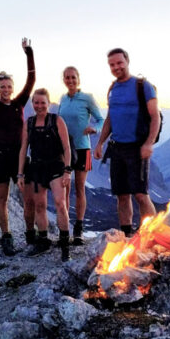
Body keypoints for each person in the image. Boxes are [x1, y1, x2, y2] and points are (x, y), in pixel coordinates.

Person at [94, 48, 160, 237]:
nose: (116, 67)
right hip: (117, 148)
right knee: (122, 195)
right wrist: (100, 143)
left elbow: (154, 116)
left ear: (127, 61)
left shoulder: (142, 86)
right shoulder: (113, 89)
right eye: (112, 65)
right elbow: (110, 118)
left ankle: (151, 236)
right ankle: (126, 235)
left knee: (140, 194)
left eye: (119, 63)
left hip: (137, 147)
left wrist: (148, 144)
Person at [0, 38, 36, 256]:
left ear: (12, 89)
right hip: (0, 157)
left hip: (20, 156)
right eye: (2, 86)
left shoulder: (19, 103)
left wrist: (28, 53)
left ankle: (30, 233)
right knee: (1, 199)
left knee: (29, 198)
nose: (6, 89)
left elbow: (31, 80)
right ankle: (7, 236)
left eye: (9, 86)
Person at [17, 88, 73, 262]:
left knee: (60, 203)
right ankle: (43, 240)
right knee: (39, 206)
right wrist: (20, 174)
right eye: (36, 102)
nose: (39, 106)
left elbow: (66, 147)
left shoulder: (57, 120)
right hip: (36, 167)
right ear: (32, 103)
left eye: (43, 102)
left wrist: (67, 170)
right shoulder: (30, 122)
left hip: (56, 166)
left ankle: (65, 245)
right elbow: (23, 148)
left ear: (49, 103)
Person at [57, 66, 104, 245]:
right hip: (64, 149)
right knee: (65, 188)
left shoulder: (87, 98)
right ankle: (66, 226)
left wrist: (95, 129)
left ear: (78, 79)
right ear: (64, 80)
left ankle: (78, 228)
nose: (70, 80)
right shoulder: (62, 99)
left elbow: (101, 119)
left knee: (80, 188)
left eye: (73, 77)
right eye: (67, 77)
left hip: (83, 148)